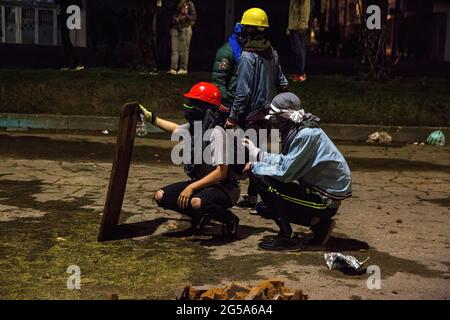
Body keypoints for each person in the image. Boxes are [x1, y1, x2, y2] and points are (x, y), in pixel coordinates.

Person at [242, 92, 352, 251]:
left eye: (274, 115)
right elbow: (287, 161)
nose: (271, 119)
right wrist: (258, 154)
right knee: (264, 207)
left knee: (261, 179)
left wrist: (255, 167)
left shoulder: (305, 134)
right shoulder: (300, 129)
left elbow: (286, 173)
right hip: (322, 195)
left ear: (285, 116)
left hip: (324, 200)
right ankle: (320, 225)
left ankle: (287, 237)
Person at [138, 82, 240, 237]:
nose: (189, 107)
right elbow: (175, 129)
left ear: (206, 109)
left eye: (194, 103)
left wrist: (191, 188)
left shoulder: (217, 133)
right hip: (201, 184)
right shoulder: (195, 127)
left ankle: (230, 219)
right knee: (160, 196)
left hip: (224, 189)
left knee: (196, 202)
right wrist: (151, 118)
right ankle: (200, 216)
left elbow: (221, 173)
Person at [224, 8, 288, 208]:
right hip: (269, 113)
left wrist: (233, 117)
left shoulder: (247, 56)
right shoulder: (272, 52)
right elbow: (282, 82)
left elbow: (243, 91)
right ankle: (253, 198)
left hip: (251, 115)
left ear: (249, 30)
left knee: (242, 155)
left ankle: (236, 193)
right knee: (257, 154)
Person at [211, 23, 244, 110]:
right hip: (231, 101)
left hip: (245, 101)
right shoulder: (227, 51)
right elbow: (218, 79)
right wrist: (224, 101)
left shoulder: (248, 50)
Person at [168, 0, 197, 75]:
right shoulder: (175, 4)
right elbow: (172, 14)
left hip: (185, 28)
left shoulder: (189, 3)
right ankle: (173, 68)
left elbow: (193, 17)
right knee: (174, 50)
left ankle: (183, 68)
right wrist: (174, 19)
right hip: (175, 28)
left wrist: (186, 14)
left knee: (184, 50)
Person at [55, 0, 84, 71]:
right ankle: (71, 62)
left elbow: (57, 2)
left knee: (65, 38)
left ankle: (74, 62)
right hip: (72, 10)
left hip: (68, 10)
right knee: (65, 38)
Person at [288, 0, 311, 82]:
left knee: (299, 50)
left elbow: (305, 9)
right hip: (293, 26)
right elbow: (291, 11)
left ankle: (300, 73)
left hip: (299, 26)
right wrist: (289, 26)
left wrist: (303, 24)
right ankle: (296, 73)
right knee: (295, 50)